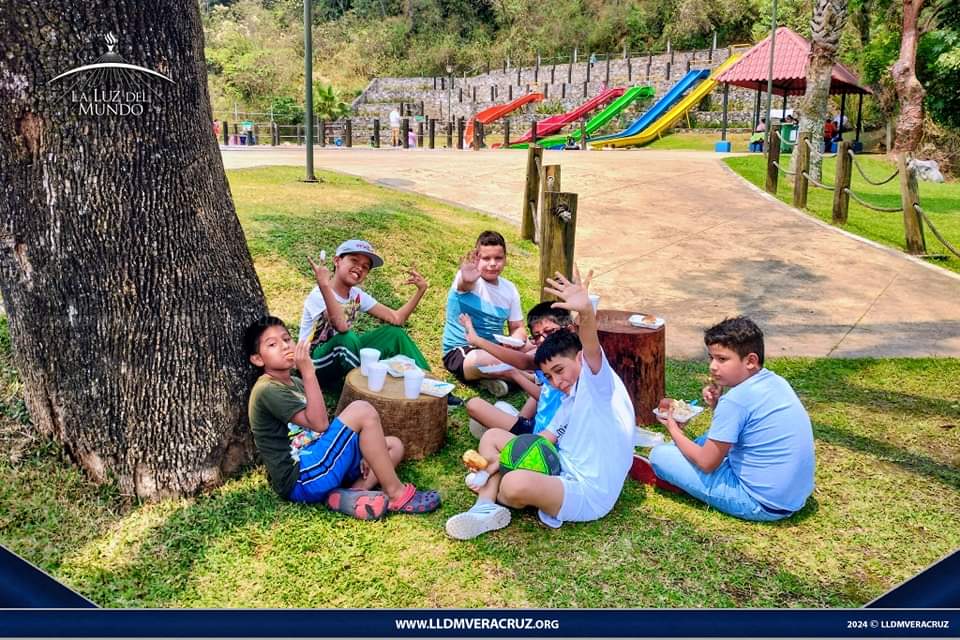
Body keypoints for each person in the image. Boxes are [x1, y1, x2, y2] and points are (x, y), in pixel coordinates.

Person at [444, 268, 635, 540]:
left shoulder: (598, 384)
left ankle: (496, 491)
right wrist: (495, 464)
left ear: (579, 359)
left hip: (588, 491)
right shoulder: (568, 401)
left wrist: (587, 314)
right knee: (494, 436)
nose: (557, 381)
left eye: (560, 370)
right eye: (549, 377)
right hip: (560, 465)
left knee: (513, 484)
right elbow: (542, 439)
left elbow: (591, 347)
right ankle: (484, 508)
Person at [243, 316, 440, 518]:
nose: (285, 346)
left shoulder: (294, 382)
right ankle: (396, 494)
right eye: (273, 344)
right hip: (299, 476)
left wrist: (361, 452)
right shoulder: (266, 389)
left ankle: (351, 494)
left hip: (321, 460)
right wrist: (309, 373)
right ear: (257, 359)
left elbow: (323, 428)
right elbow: (320, 424)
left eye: (286, 339)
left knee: (393, 445)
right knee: (362, 409)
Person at [633, 316, 815, 522]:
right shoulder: (776, 381)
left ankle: (677, 476)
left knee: (660, 455)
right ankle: (684, 467)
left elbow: (707, 463)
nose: (712, 366)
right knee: (707, 438)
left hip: (759, 502)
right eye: (711, 358)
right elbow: (747, 427)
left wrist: (674, 429)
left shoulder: (736, 401)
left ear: (750, 361)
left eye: (722, 359)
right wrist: (717, 406)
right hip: (794, 497)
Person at [298, 239, 430, 388]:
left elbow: (397, 318)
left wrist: (421, 290)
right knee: (347, 339)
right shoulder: (319, 293)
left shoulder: (357, 295)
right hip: (312, 363)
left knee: (394, 334)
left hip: (342, 355)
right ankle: (367, 388)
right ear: (337, 261)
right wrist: (324, 285)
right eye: (354, 260)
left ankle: (430, 384)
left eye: (365, 267)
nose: (359, 268)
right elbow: (341, 326)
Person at [461, 302, 575, 439]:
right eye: (537, 336)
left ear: (569, 329)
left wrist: (478, 341)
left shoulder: (575, 360)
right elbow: (543, 395)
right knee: (483, 408)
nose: (543, 339)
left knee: (488, 431)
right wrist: (514, 374)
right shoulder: (546, 361)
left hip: (547, 437)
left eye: (550, 331)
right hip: (535, 427)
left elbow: (524, 362)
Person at [442, 231, 525, 398]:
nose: (492, 264)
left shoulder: (510, 289)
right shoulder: (469, 278)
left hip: (495, 349)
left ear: (505, 259)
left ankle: (493, 378)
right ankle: (533, 378)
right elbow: (465, 284)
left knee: (535, 350)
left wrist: (515, 341)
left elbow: (518, 328)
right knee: (495, 361)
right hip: (464, 352)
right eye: (486, 258)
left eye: (498, 258)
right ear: (476, 257)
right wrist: (467, 279)